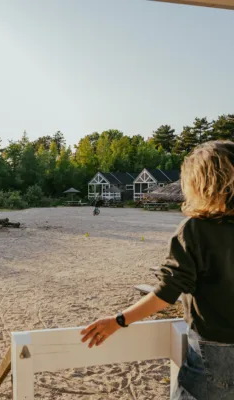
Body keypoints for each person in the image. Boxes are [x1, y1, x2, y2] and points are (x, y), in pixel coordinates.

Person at [81, 141, 234, 399]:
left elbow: (166, 292)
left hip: (215, 353)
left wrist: (119, 320)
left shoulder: (196, 231)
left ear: (200, 184)